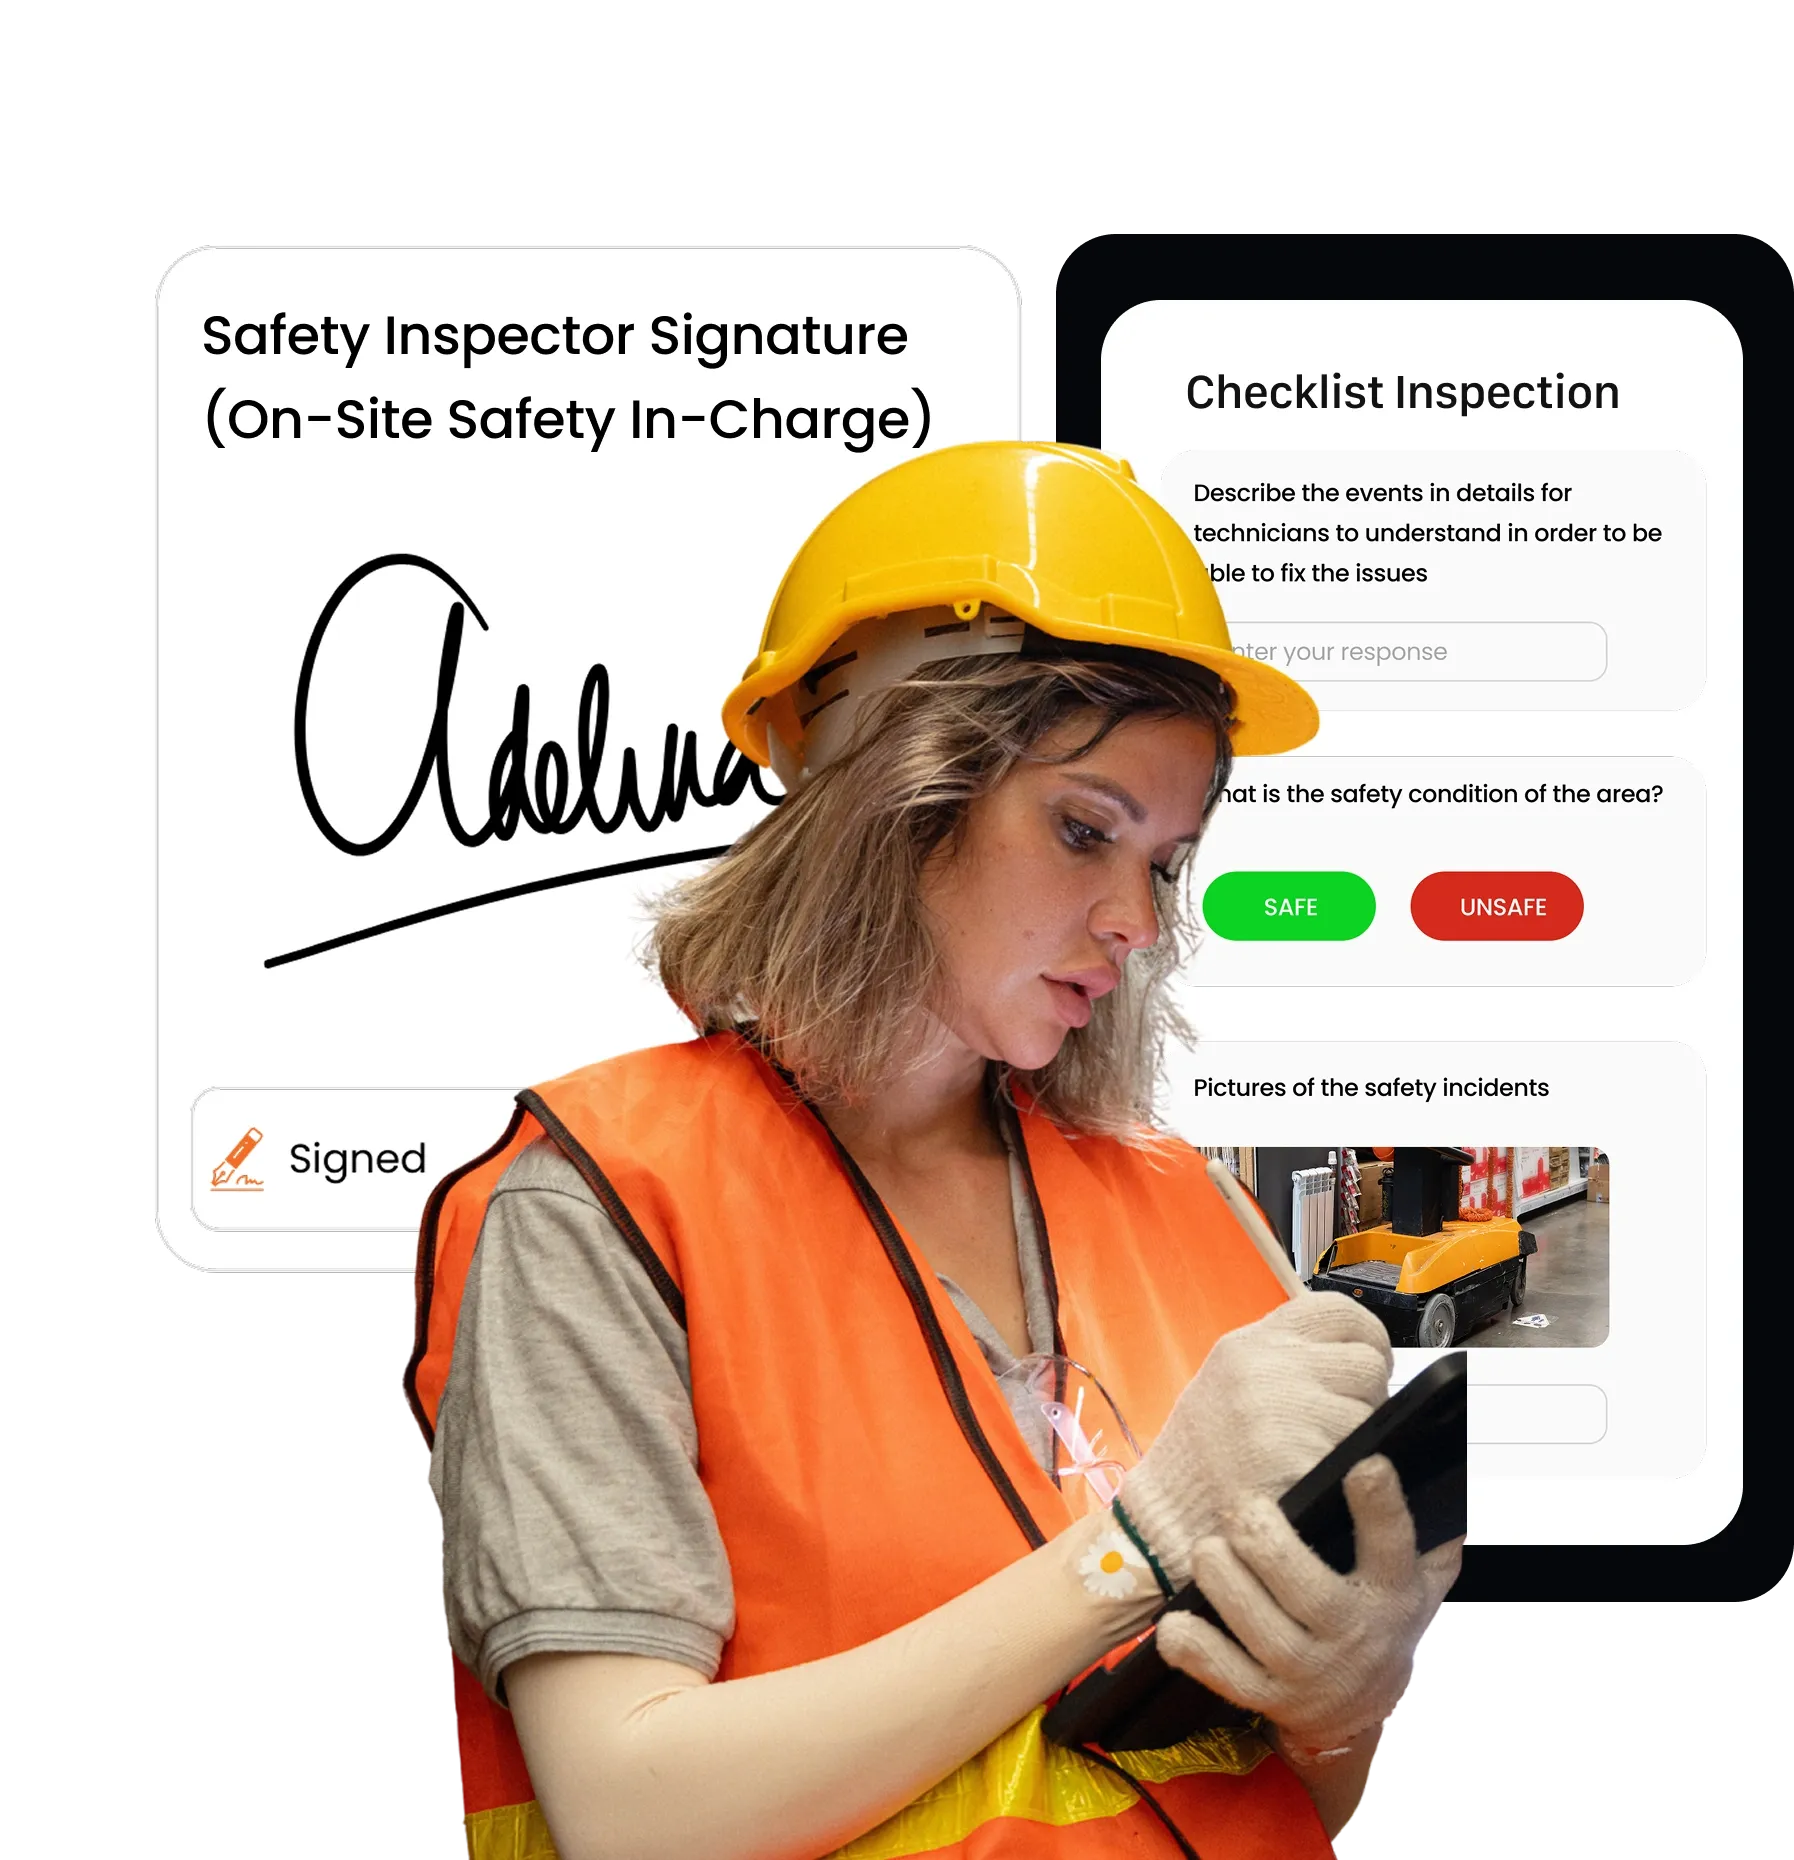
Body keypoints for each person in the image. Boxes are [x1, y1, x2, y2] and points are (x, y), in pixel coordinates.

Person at [408, 442, 1463, 1860]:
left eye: (1160, 860)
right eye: (1082, 829)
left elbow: (1270, 1798)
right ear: (888, 794)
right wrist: (1132, 1553)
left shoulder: (1187, 1212)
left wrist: (1351, 1691)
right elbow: (627, 1810)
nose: (1137, 922)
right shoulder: (605, 1197)